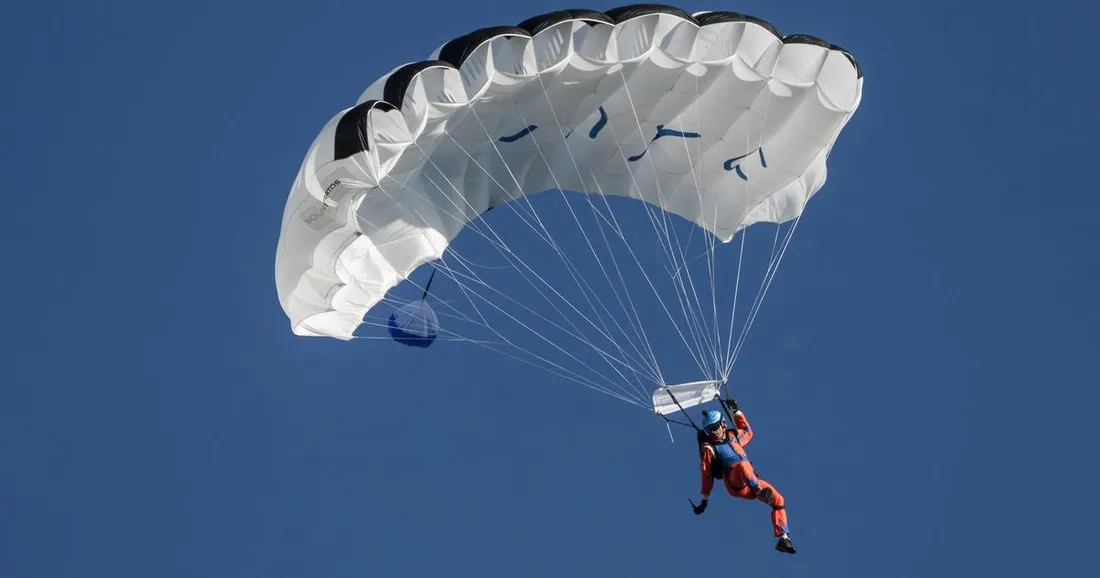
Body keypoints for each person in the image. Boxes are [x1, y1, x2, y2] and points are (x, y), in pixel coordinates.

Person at [691, 399, 797, 554]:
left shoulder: (733, 438)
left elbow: (747, 431)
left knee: (779, 500)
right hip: (736, 483)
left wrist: (736, 411)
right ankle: (760, 490)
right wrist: (704, 500)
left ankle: (783, 538)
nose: (713, 432)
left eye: (714, 427)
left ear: (723, 424)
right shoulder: (710, 449)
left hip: (751, 482)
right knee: (742, 466)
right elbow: (707, 474)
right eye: (708, 430)